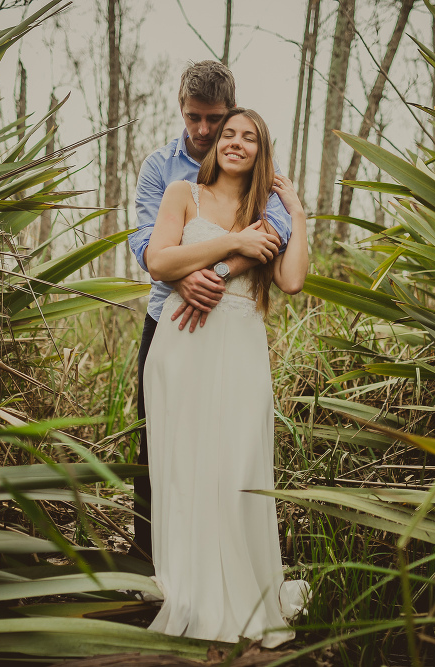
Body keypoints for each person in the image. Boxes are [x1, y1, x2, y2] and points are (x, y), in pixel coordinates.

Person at [142, 107, 309, 647]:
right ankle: (189, 591)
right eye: (229, 134)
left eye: (250, 137)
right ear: (216, 144)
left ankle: (246, 591)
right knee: (186, 466)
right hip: (183, 340)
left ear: (262, 151)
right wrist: (234, 244)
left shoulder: (269, 212)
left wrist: (300, 215)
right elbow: (159, 262)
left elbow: (291, 281)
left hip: (241, 343)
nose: (236, 142)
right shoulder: (182, 196)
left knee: (239, 463)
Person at [128, 61, 292, 560]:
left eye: (213, 119)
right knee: (157, 437)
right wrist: (182, 277)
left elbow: (275, 233)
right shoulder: (161, 169)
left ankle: (215, 558)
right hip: (169, 319)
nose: (203, 130)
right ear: (182, 109)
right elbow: (145, 242)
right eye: (193, 117)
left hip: (231, 326)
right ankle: (148, 557)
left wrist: (218, 271)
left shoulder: (257, 171)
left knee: (225, 444)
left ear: (231, 112)